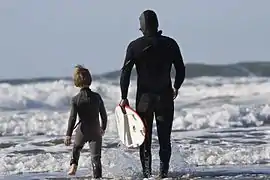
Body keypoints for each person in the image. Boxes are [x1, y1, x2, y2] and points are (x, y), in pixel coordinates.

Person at [119, 9, 186, 178]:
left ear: (142, 27)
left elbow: (125, 73)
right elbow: (181, 68)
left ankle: (147, 174)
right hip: (164, 97)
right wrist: (176, 86)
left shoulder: (134, 46)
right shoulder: (170, 44)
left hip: (144, 100)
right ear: (157, 25)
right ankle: (163, 174)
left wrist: (124, 97)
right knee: (165, 139)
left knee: (144, 140)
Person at [64, 65, 108, 179]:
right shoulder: (97, 97)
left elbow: (72, 118)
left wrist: (68, 134)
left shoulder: (75, 99)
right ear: (90, 80)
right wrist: (103, 128)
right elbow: (104, 115)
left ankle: (73, 165)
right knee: (96, 158)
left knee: (76, 148)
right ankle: (97, 177)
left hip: (82, 130)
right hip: (95, 130)